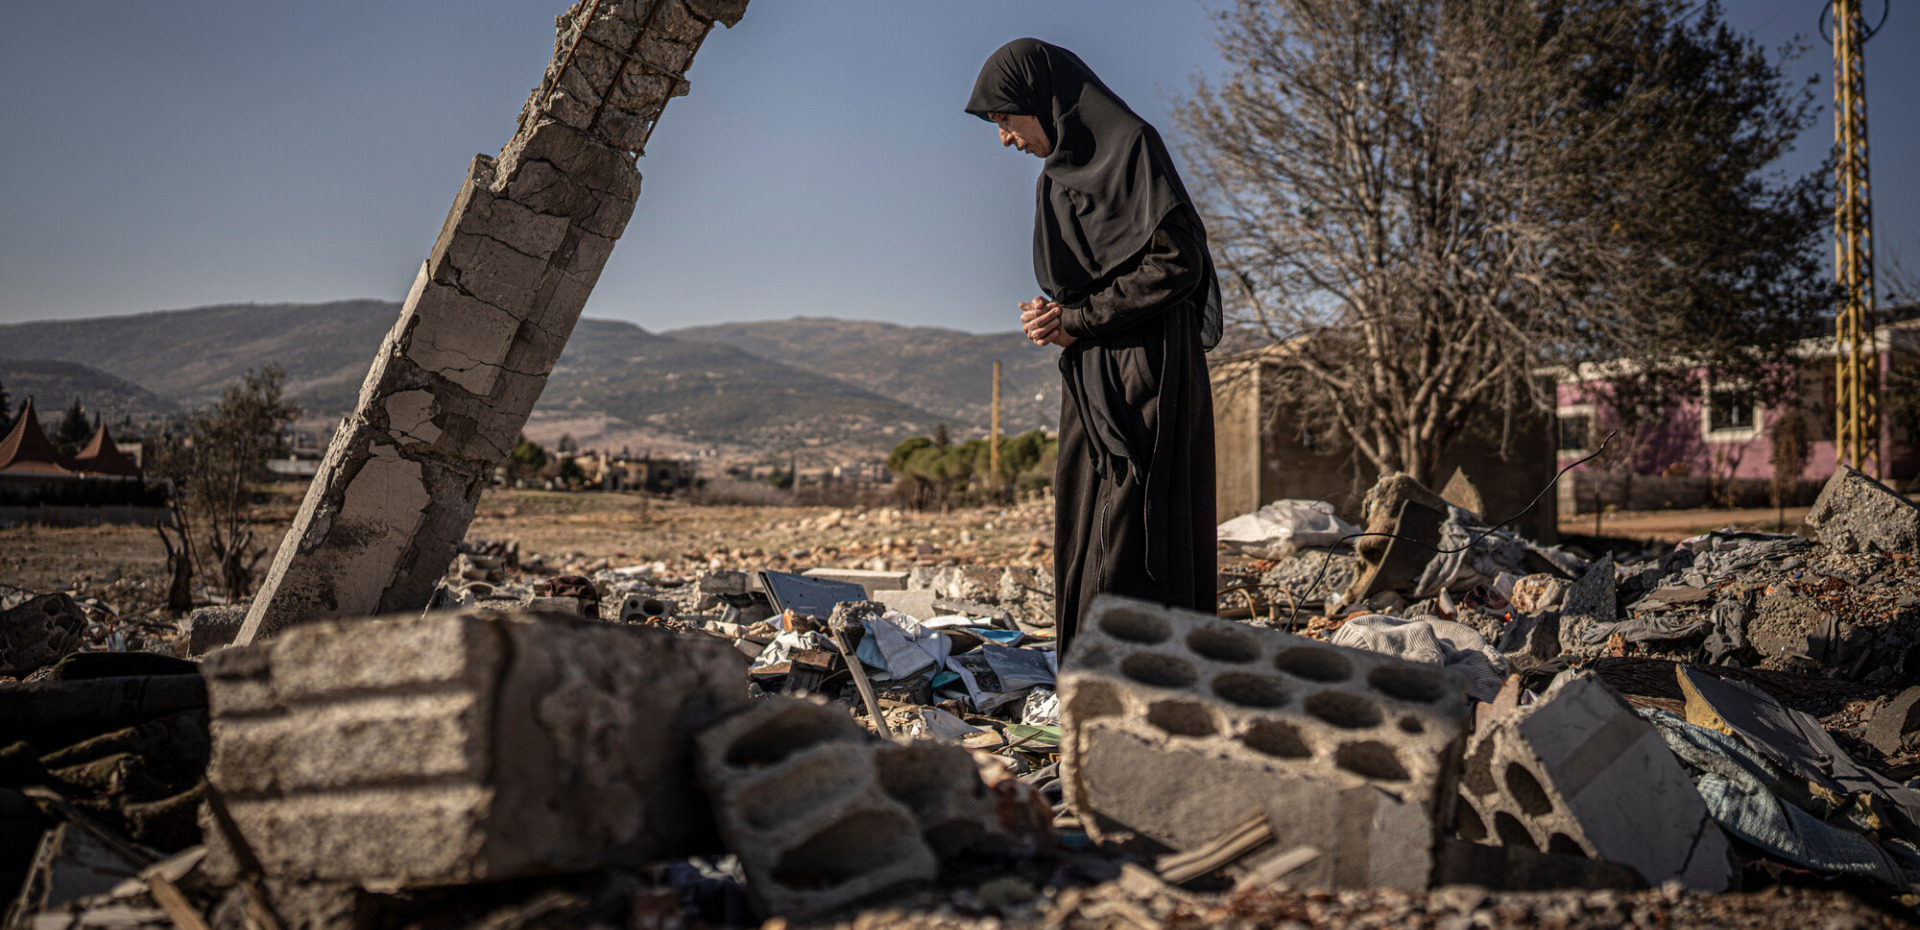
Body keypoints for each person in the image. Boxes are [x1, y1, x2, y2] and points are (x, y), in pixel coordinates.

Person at [967, 38, 1222, 654]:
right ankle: (1088, 677)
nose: (1005, 138)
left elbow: (1176, 262)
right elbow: (1079, 282)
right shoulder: (1055, 182)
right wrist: (1054, 315)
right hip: (1090, 376)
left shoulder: (1133, 146)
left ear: (1041, 101)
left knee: (1132, 524)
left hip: (1149, 374)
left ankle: (1139, 677)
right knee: (1085, 519)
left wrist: (1082, 317)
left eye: (1006, 120)